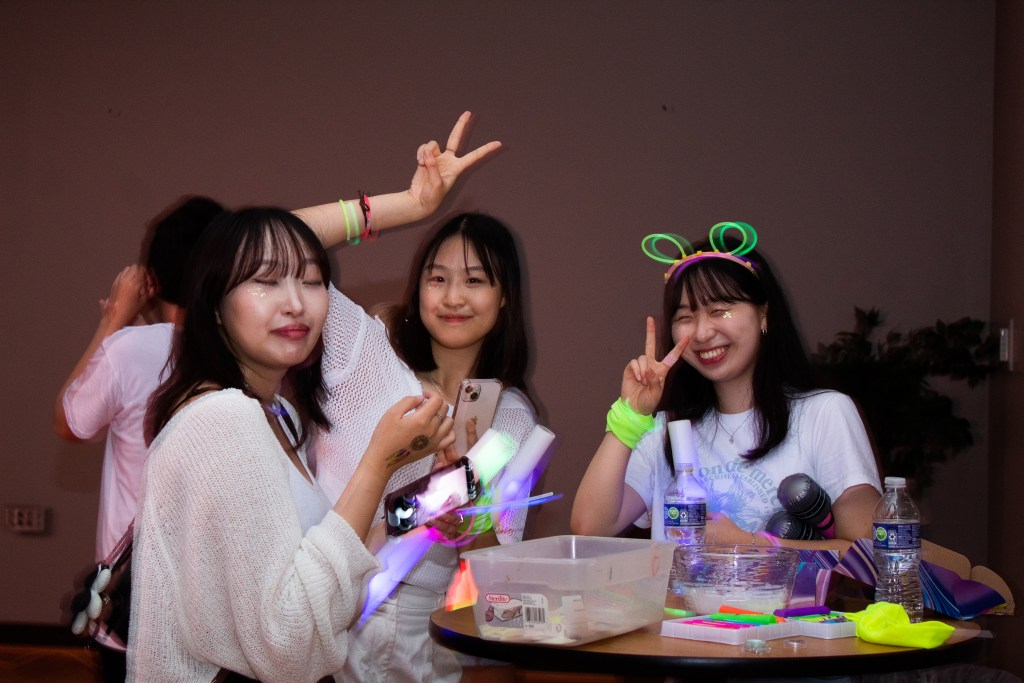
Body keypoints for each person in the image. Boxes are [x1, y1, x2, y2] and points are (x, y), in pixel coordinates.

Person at [127, 207, 453, 682]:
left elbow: (322, 589)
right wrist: (380, 462)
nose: (296, 303)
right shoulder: (224, 419)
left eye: (312, 279)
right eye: (266, 281)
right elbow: (289, 645)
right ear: (215, 303)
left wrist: (416, 503)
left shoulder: (276, 414)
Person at [297, 118, 538, 682]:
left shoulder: (508, 419)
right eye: (438, 278)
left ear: (505, 300)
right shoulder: (370, 357)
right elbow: (277, 243)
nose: (453, 297)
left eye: (476, 281)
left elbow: (494, 566)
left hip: (422, 634)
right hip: (321, 606)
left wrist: (465, 520)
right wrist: (408, 204)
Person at [571, 224, 881, 552]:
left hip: (782, 606)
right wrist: (629, 415)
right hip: (679, 605)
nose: (703, 333)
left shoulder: (823, 413)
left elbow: (866, 550)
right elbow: (589, 527)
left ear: (764, 314)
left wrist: (750, 544)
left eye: (721, 310)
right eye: (685, 316)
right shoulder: (662, 431)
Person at [53, 196, 223, 678]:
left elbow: (69, 421)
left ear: (153, 280)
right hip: (218, 604)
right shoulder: (243, 351)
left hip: (137, 607)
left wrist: (113, 322)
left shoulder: (128, 349)